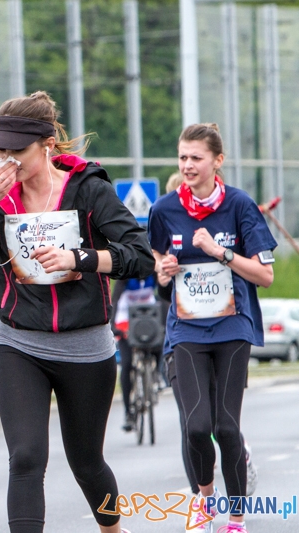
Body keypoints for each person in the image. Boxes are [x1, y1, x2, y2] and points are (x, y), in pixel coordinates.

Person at [0, 91, 153, 533]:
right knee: (25, 458)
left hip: (85, 347)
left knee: (87, 462)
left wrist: (81, 259)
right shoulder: (0, 202)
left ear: (47, 146)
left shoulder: (90, 191)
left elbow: (140, 256)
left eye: (16, 151)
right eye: (0, 152)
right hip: (20, 344)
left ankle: (112, 528)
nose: (6, 161)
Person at [148, 123, 276, 533]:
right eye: (182, 157)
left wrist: (220, 252)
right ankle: (204, 498)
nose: (187, 165)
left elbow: (264, 276)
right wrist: (164, 272)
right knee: (196, 425)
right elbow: (157, 264)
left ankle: (236, 517)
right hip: (186, 328)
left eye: (195, 158)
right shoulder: (164, 210)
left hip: (232, 326)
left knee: (225, 426)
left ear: (217, 161)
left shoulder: (240, 206)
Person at [110, 275, 158, 432]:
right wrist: (113, 326)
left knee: (159, 344)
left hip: (148, 318)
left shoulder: (153, 274)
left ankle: (156, 376)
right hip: (126, 321)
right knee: (127, 363)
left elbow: (162, 297)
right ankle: (128, 412)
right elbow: (115, 300)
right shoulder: (125, 277)